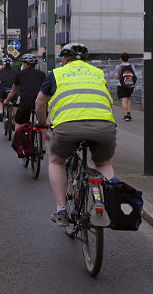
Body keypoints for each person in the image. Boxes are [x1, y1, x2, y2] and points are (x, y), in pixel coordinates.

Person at [35, 43, 116, 225]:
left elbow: (40, 102)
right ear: (85, 60)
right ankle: (114, 204)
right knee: (103, 163)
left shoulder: (56, 74)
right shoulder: (98, 73)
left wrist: (42, 123)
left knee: (56, 161)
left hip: (68, 126)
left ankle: (61, 211)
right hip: (104, 125)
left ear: (63, 60)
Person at [4, 54, 45, 131]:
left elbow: (13, 91)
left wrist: (6, 101)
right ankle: (42, 143)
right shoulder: (42, 74)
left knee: (18, 122)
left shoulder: (19, 74)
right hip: (40, 103)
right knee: (42, 125)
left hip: (26, 102)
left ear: (26, 64)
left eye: (23, 63)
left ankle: (18, 141)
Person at [0, 57, 17, 122]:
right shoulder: (16, 72)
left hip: (3, 89)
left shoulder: (0, 72)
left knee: (0, 100)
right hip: (13, 89)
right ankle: (15, 120)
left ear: (3, 64)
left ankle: (1, 112)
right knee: (14, 104)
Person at [115, 52, 136, 121]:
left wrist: (119, 77)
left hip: (122, 85)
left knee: (124, 100)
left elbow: (116, 76)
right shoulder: (131, 66)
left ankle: (125, 115)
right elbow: (134, 75)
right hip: (131, 85)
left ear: (121, 59)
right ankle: (129, 113)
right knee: (128, 99)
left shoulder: (119, 66)